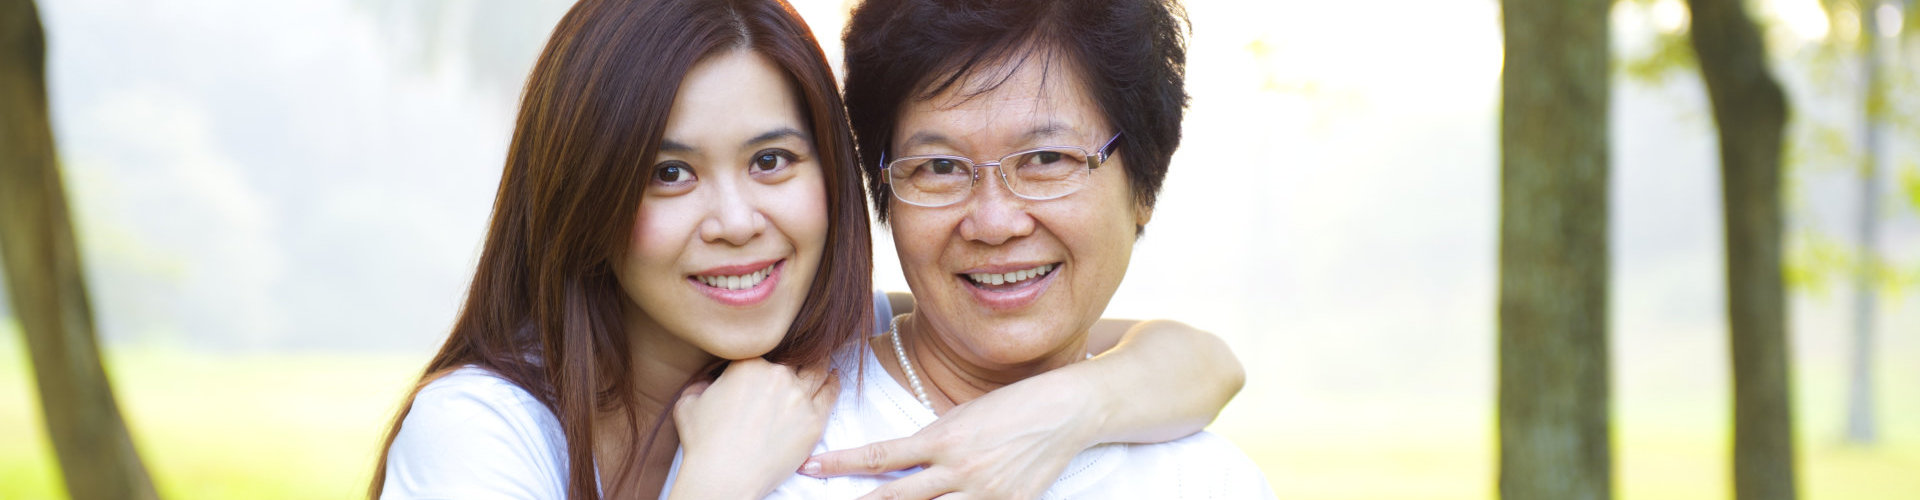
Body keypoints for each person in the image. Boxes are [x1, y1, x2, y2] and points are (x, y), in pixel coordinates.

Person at [371, 0, 1247, 498]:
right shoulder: (481, 432)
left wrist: (1076, 407)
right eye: (667, 173)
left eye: (772, 160)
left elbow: (1163, 350)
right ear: (585, 193)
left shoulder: (830, 347)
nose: (737, 220)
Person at [771, 0, 1277, 497]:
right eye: (940, 167)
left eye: (1046, 158)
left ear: (1143, 188)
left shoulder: (1209, 480)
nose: (994, 223)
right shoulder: (779, 449)